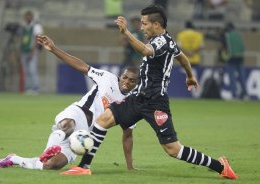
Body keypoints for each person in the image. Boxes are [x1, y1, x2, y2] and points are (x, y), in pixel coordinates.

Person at [63, 4, 238, 180]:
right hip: (138, 97)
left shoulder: (162, 41)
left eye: (144, 23)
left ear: (156, 24)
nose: (142, 27)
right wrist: (190, 76)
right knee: (103, 120)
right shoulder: (166, 42)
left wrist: (126, 33)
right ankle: (84, 166)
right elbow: (183, 58)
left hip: (155, 102)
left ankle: (221, 166)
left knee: (173, 149)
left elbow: (146, 51)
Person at [0, 35, 139, 171]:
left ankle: (14, 159)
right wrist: (54, 49)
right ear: (120, 76)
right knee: (68, 125)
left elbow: (128, 135)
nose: (126, 82)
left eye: (132, 80)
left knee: (50, 165)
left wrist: (130, 166)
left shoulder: (130, 104)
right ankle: (48, 150)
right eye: (125, 77)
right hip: (78, 113)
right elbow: (81, 66)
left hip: (86, 135)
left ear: (136, 84)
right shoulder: (107, 78)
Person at [20, 10, 43, 95]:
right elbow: (24, 40)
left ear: (32, 17)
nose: (27, 18)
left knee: (32, 70)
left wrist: (33, 51)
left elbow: (37, 40)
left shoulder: (36, 26)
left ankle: (35, 88)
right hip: (24, 51)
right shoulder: (25, 27)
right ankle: (28, 88)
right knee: (26, 71)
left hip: (32, 51)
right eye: (26, 17)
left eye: (28, 16)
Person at [222, 22, 248, 99]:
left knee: (232, 77)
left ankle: (234, 94)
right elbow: (243, 46)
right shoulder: (239, 35)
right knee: (242, 77)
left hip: (232, 58)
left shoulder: (227, 35)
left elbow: (226, 46)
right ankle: (245, 93)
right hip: (240, 57)